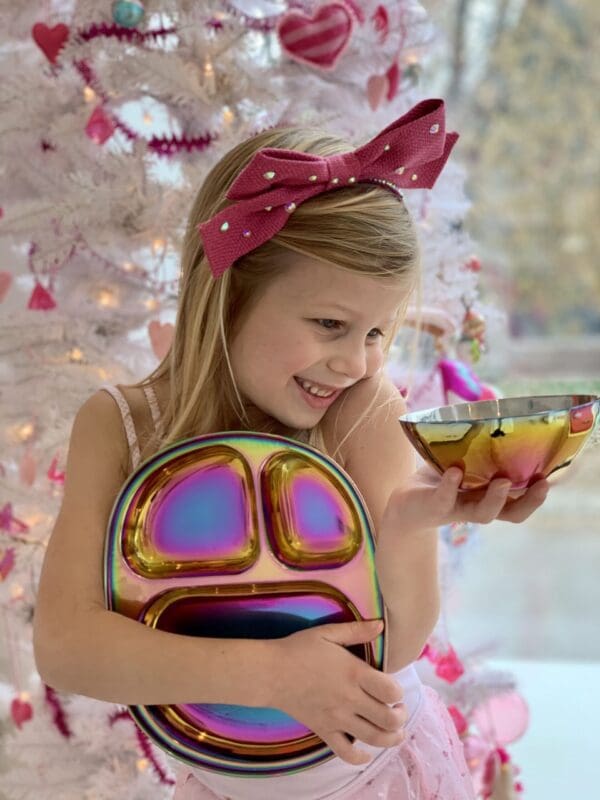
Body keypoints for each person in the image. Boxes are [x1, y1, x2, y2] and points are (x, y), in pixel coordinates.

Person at [33, 99, 549, 800]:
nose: (357, 363)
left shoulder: (363, 411)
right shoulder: (120, 426)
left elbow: (391, 650)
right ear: (229, 291)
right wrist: (270, 673)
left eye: (376, 333)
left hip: (377, 782)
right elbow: (67, 647)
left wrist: (404, 526)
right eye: (331, 324)